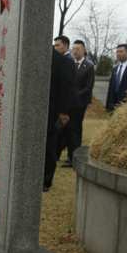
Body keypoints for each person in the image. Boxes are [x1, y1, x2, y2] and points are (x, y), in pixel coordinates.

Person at [59, 40, 95, 168]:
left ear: (84, 50)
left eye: (78, 49)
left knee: (75, 130)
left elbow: (88, 87)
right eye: (73, 49)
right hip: (68, 103)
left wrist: (74, 96)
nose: (75, 51)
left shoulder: (89, 66)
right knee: (66, 129)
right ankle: (66, 155)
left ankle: (73, 158)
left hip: (79, 104)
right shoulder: (69, 63)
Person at [43, 46, 74, 192]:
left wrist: (64, 112)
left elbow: (67, 89)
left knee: (50, 146)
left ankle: (46, 180)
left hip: (53, 111)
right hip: (33, 110)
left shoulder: (63, 61)